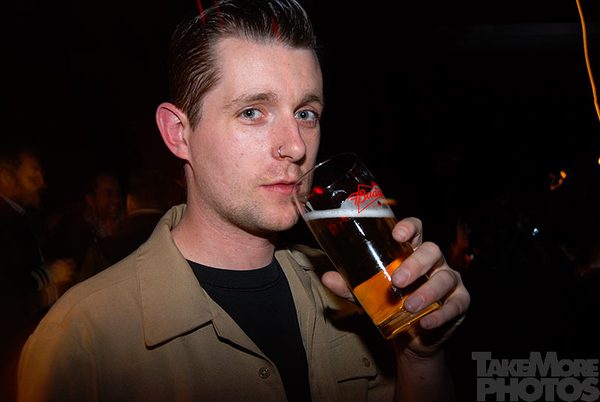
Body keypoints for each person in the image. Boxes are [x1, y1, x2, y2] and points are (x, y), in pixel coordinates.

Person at [17, 1, 470, 401]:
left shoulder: (353, 293)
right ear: (179, 133)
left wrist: (420, 356)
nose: (296, 145)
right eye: (253, 112)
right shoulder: (83, 339)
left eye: (306, 113)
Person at [0, 146, 75, 402]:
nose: (42, 183)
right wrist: (50, 277)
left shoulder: (23, 217)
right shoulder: (6, 222)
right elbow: (10, 290)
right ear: (5, 178)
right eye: (33, 175)